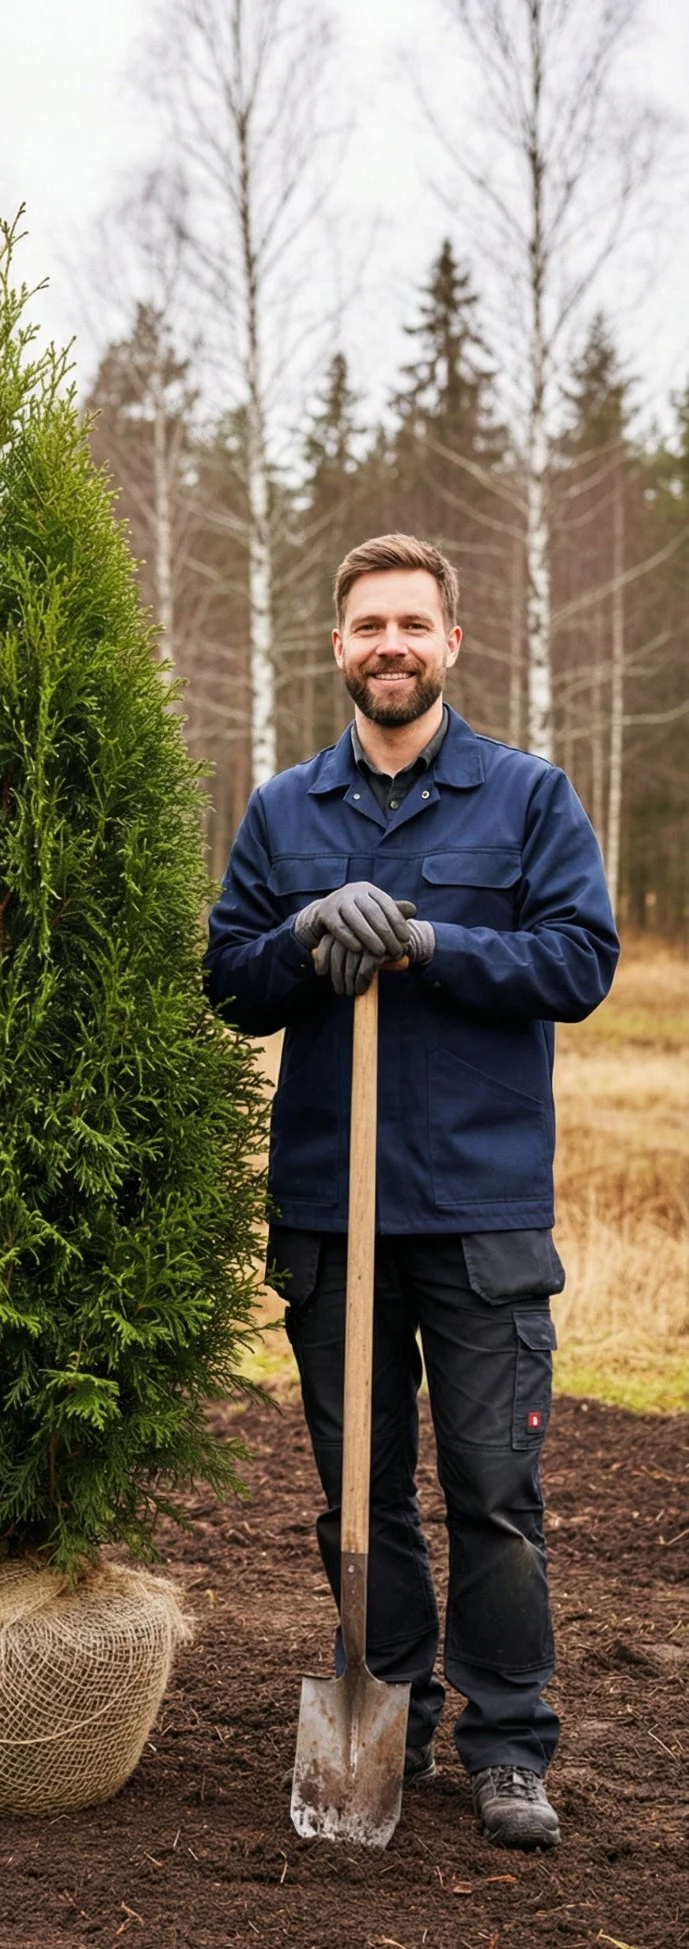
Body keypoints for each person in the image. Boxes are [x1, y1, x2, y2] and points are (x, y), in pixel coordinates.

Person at [204, 533, 618, 1850]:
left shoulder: (527, 798)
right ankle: (394, 1709)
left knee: (496, 1488)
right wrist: (302, 942)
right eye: (367, 625)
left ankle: (508, 1750)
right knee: (362, 1493)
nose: (390, 645)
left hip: (484, 1213)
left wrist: (432, 944)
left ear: (451, 642)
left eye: (412, 625)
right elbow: (226, 983)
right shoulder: (285, 813)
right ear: (339, 647)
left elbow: (578, 962)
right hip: (336, 1214)